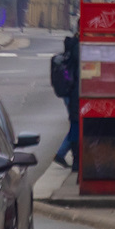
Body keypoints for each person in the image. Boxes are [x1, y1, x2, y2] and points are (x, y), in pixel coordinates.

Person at [52, 35, 80, 169]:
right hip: (74, 93)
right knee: (77, 125)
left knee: (76, 124)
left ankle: (63, 154)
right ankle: (64, 154)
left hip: (71, 91)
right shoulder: (78, 48)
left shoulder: (73, 46)